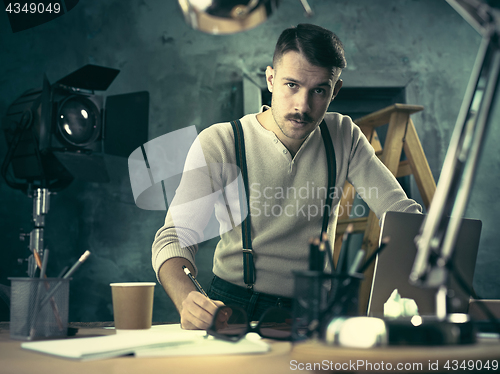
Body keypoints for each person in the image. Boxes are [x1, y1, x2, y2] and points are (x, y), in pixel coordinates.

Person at [152, 23, 422, 330]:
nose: (302, 106)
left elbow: (402, 214)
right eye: (291, 85)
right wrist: (187, 298)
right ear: (270, 79)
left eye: (319, 90)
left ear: (335, 91)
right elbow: (174, 237)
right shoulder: (221, 142)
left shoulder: (344, 135)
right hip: (235, 306)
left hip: (314, 313)